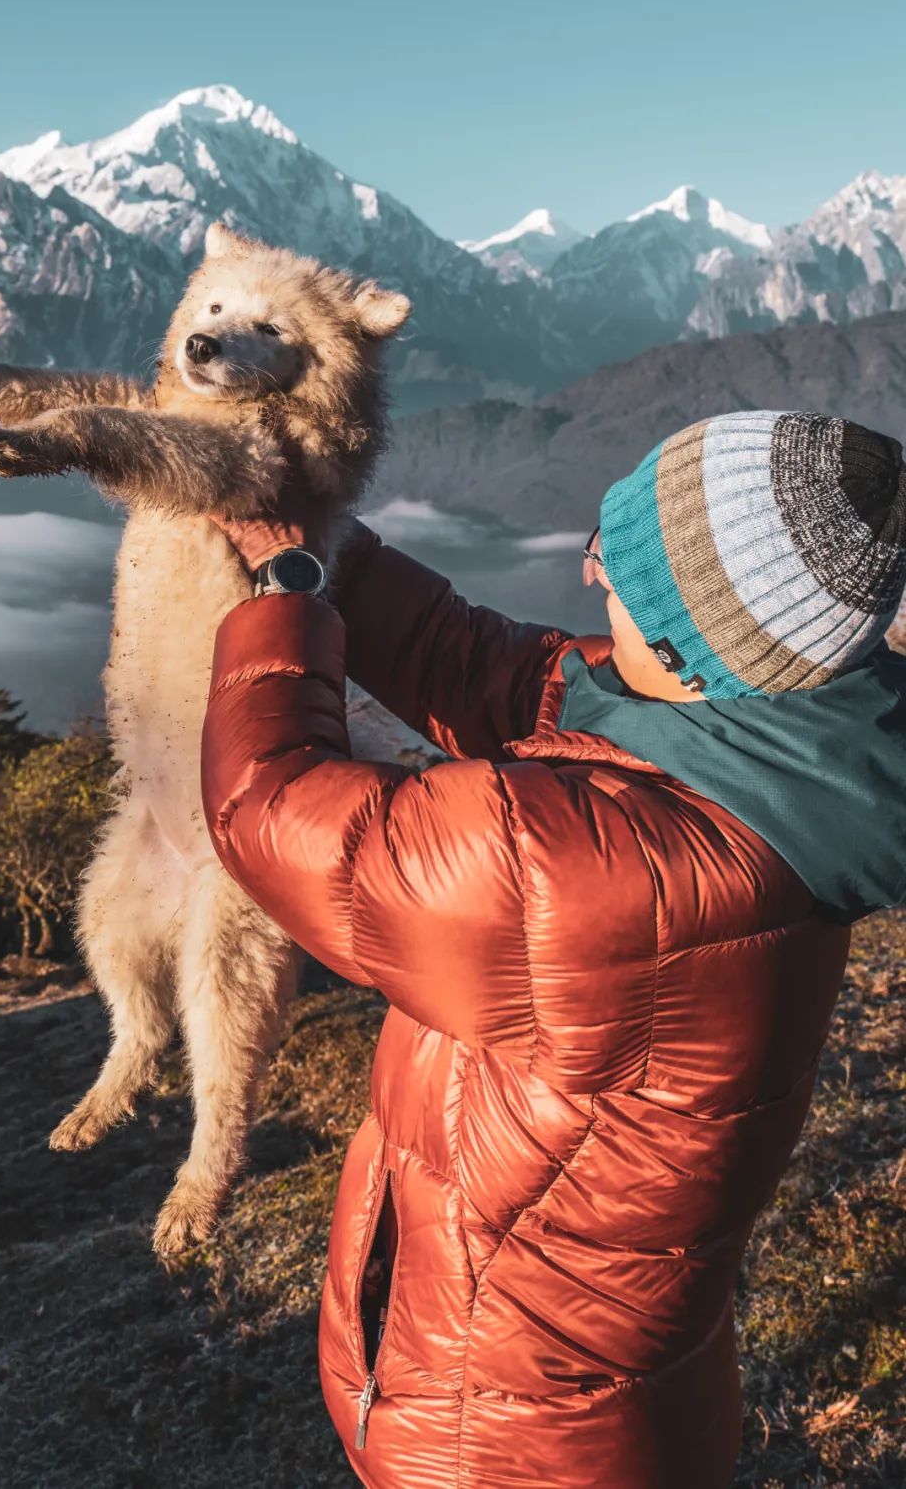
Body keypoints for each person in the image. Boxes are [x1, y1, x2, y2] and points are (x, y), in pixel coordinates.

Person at [201, 409, 906, 1489]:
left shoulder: (608, 872)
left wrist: (285, 591)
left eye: (615, 568)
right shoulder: (780, 744)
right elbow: (504, 676)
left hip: (508, 1435)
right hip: (613, 1402)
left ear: (685, 650)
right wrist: (336, 550)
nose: (586, 573)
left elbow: (278, 813)